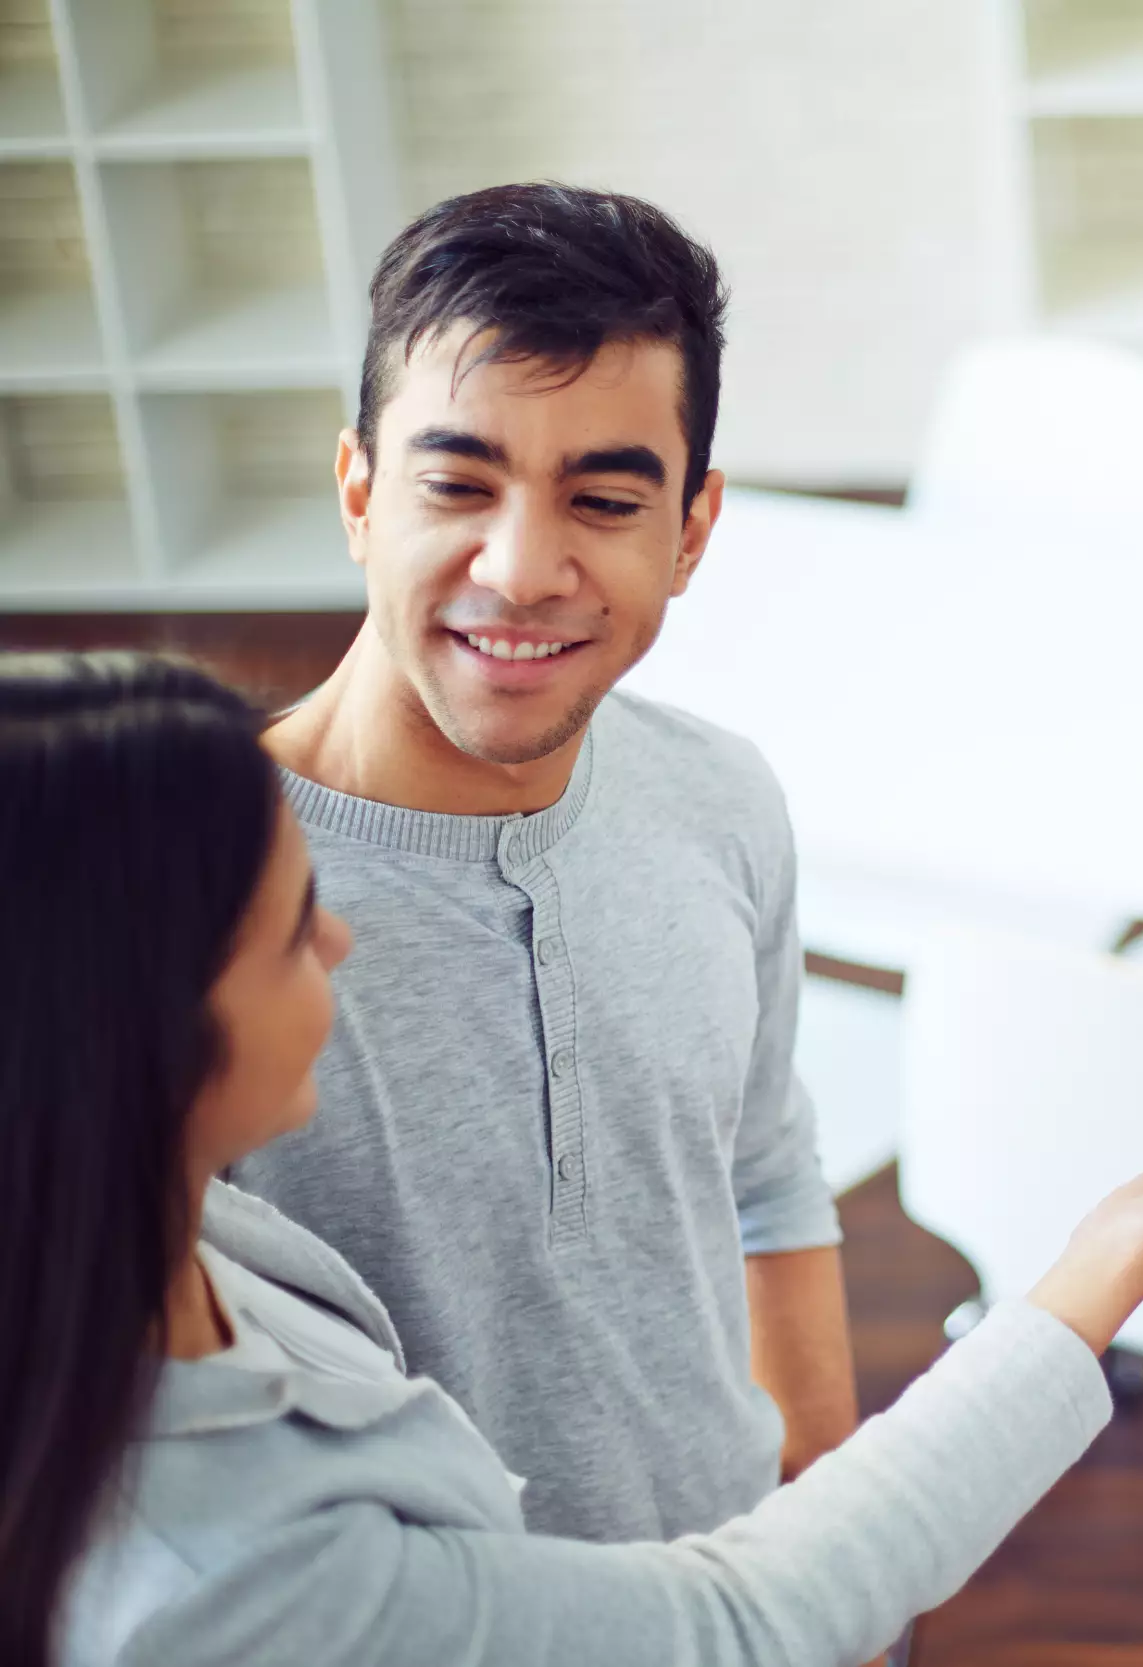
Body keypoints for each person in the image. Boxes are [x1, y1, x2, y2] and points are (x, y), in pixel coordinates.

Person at [0, 650, 1143, 1667]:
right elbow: (742, 1619)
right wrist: (1102, 1269)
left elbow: (766, 1165)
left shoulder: (172, 1238)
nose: (343, 942)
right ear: (140, 1017)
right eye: (296, 925)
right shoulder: (235, 1585)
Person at [229, 182, 854, 1545]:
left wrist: (829, 1527)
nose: (520, 570)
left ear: (691, 531)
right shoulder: (194, 901)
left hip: (738, 1589)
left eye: (604, 498)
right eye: (457, 482)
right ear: (357, 493)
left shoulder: (723, 799)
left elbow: (766, 1174)